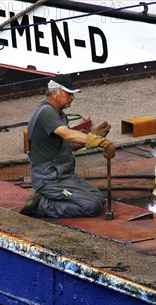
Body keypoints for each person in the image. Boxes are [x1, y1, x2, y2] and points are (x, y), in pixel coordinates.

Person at [20, 74, 116, 218]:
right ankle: (42, 205)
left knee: (99, 199)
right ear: (54, 93)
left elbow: (67, 146)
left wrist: (93, 136)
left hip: (64, 174)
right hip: (49, 178)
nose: (72, 97)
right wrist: (98, 141)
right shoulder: (47, 112)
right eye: (68, 93)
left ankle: (49, 198)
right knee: (92, 207)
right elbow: (67, 135)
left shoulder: (60, 114)